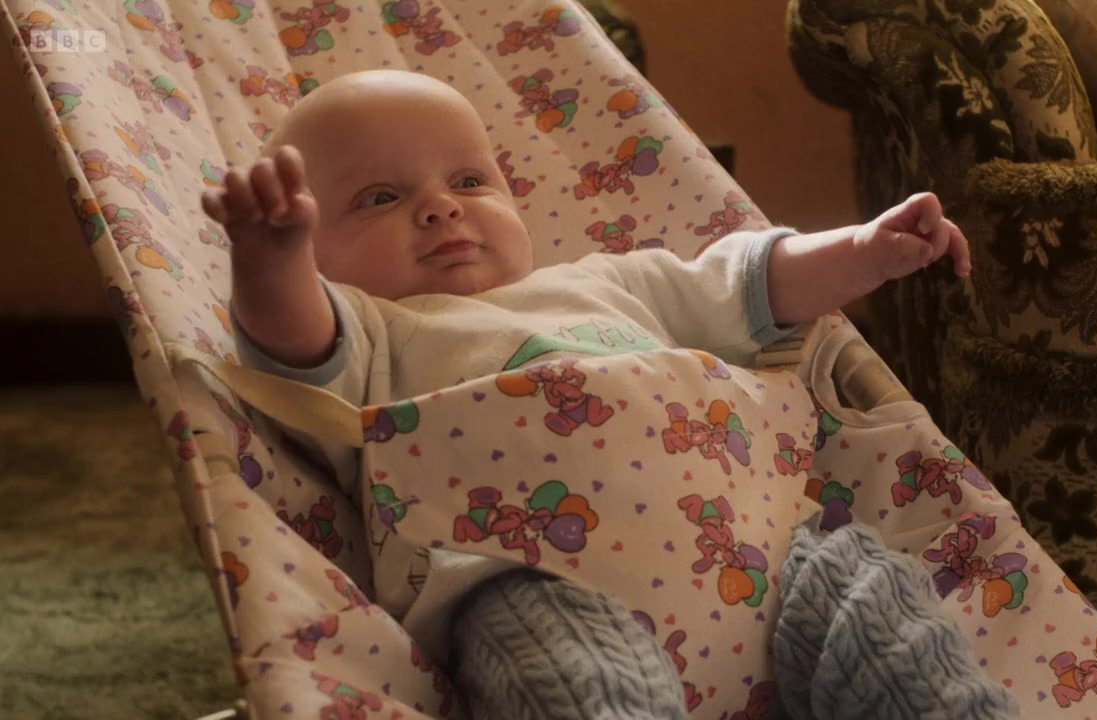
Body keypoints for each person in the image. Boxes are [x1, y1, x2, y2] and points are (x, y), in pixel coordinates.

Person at [202, 70, 1013, 720]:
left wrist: (864, 249)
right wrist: (272, 263)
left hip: (770, 554)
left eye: (470, 180)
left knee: (884, 616)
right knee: (565, 679)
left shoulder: (608, 282)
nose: (442, 206)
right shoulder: (376, 331)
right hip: (540, 576)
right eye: (380, 198)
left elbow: (752, 282)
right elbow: (295, 343)